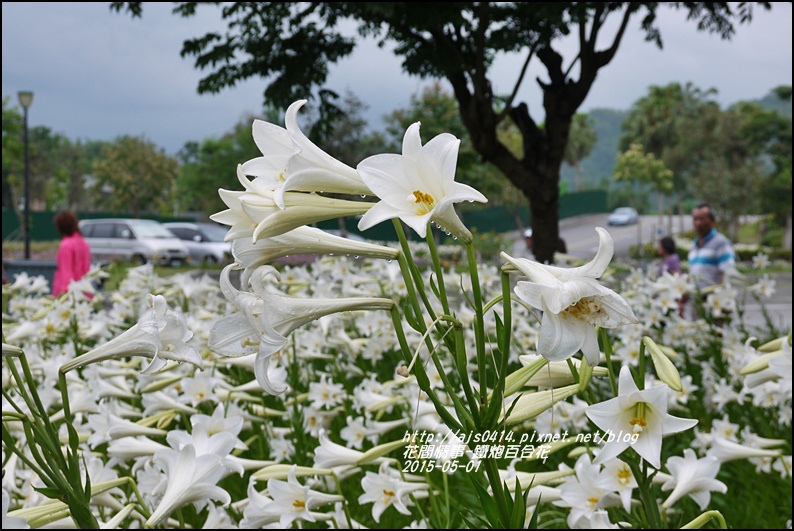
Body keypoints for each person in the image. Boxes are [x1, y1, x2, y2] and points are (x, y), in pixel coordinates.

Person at [687, 203, 736, 289]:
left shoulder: (721, 242)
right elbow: (691, 274)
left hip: (713, 300)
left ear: (713, 221)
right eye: (695, 219)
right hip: (696, 300)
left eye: (702, 219)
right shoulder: (694, 245)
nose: (697, 223)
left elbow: (727, 273)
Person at [52, 210, 91, 297]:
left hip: (71, 293)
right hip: (85, 289)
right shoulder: (83, 242)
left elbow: (66, 271)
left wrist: (64, 292)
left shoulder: (66, 245)